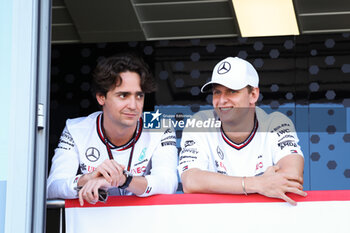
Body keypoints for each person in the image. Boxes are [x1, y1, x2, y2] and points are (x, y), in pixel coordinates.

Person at [47, 54, 178, 206]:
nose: (134, 105)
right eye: (123, 95)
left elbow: (168, 183)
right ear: (101, 97)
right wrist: (88, 178)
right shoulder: (76, 129)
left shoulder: (160, 127)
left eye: (139, 96)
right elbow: (52, 187)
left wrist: (124, 180)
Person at [178, 57, 306, 205]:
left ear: (253, 95)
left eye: (232, 91)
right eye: (217, 92)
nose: (222, 100)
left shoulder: (276, 123)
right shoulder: (199, 123)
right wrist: (257, 184)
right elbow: (190, 181)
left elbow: (291, 178)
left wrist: (219, 185)